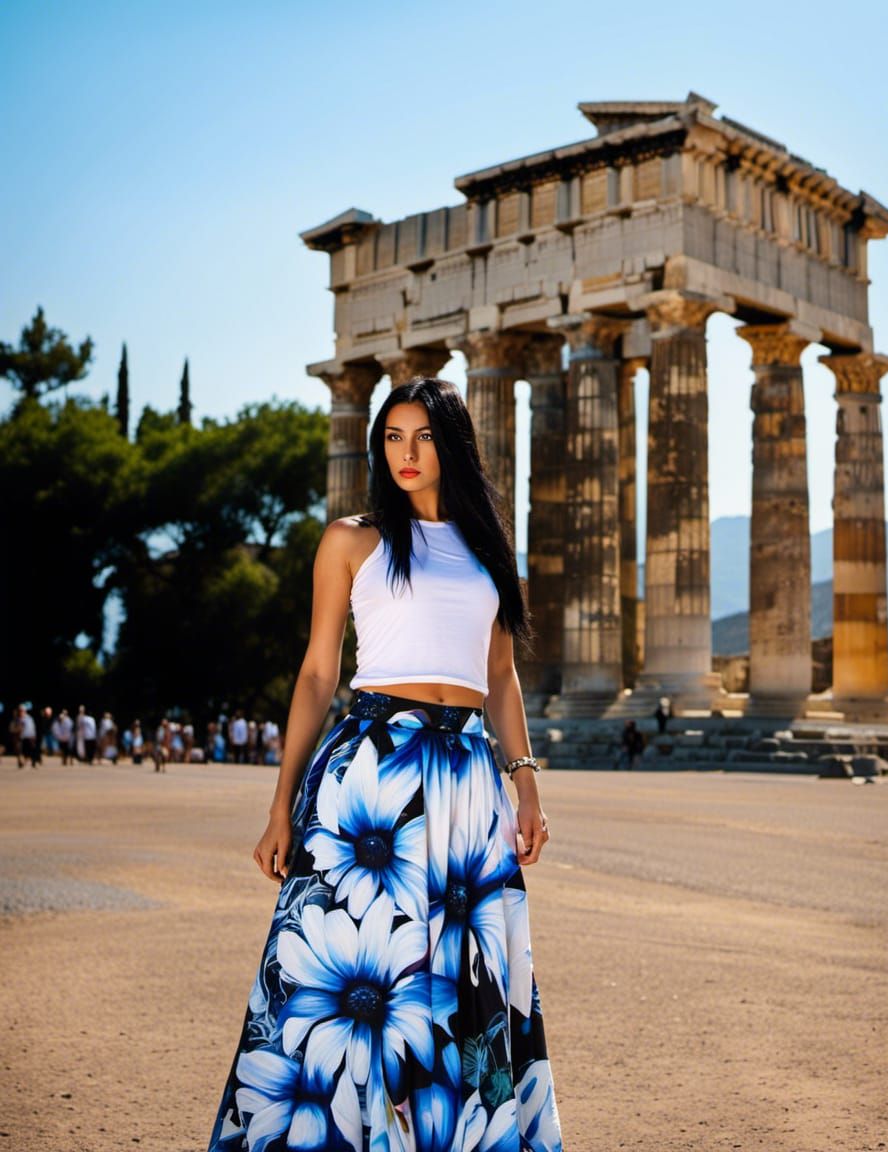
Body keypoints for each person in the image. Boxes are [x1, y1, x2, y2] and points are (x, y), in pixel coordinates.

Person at [208, 378, 563, 1152]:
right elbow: (315, 675)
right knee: (359, 977)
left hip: (469, 778)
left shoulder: (490, 554)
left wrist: (525, 781)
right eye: (393, 437)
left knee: (464, 979)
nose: (406, 453)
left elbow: (500, 679)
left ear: (452, 444)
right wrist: (279, 806)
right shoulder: (352, 540)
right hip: (370, 771)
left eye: (423, 437)